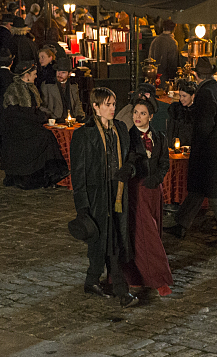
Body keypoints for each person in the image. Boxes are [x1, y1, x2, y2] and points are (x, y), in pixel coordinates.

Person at [69, 87, 138, 308]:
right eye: (107, 104)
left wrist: (128, 168)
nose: (112, 108)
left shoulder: (121, 129)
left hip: (117, 193)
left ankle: (92, 280)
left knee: (113, 238)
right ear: (96, 107)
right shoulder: (84, 134)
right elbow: (78, 173)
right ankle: (121, 291)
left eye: (113, 104)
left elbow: (131, 156)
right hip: (97, 195)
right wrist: (82, 206)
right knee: (104, 240)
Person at [165, 58, 217, 246]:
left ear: (196, 75)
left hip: (209, 151)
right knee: (198, 189)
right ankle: (181, 225)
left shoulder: (205, 93)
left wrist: (199, 140)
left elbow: (204, 125)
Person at [121, 98, 173, 296]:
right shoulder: (129, 137)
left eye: (142, 113)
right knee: (145, 233)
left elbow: (164, 162)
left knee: (153, 231)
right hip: (137, 190)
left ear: (150, 116)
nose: (137, 117)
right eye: (135, 112)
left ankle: (141, 275)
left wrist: (157, 178)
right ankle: (158, 279)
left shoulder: (159, 137)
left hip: (154, 190)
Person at [1, 61, 68, 189]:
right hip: (18, 127)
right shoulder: (14, 89)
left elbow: (38, 107)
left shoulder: (32, 88)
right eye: (34, 74)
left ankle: (53, 172)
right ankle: (48, 172)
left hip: (31, 123)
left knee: (48, 135)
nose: (36, 76)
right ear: (27, 75)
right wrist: (37, 117)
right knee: (44, 136)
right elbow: (14, 113)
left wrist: (45, 116)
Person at [41, 57, 85, 121]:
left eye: (63, 72)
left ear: (69, 74)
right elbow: (43, 106)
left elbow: (77, 103)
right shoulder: (47, 85)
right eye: (58, 71)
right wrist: (52, 117)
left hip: (72, 120)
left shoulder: (73, 86)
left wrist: (80, 116)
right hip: (55, 120)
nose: (59, 74)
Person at [148, 20, 181, 85]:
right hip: (165, 80)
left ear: (163, 27)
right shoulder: (172, 43)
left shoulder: (155, 41)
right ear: (174, 28)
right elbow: (172, 64)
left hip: (153, 77)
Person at [167, 80, 196, 147]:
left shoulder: (198, 112)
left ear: (192, 96)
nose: (181, 99)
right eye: (180, 96)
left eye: (184, 96)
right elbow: (171, 132)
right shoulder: (176, 110)